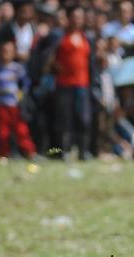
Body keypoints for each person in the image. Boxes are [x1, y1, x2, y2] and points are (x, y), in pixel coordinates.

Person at [49, 4, 90, 160]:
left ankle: (83, 151)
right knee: (64, 120)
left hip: (82, 84)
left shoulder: (86, 37)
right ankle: (62, 152)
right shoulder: (60, 37)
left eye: (80, 17)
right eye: (74, 17)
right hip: (64, 84)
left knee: (83, 119)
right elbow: (49, 57)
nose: (77, 20)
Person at [0, 39, 35, 160]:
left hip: (15, 105)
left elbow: (25, 84)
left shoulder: (18, 68)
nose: (5, 54)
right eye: (3, 51)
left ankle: (30, 152)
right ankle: (3, 154)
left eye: (9, 51)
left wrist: (21, 95)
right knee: (2, 132)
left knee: (21, 130)